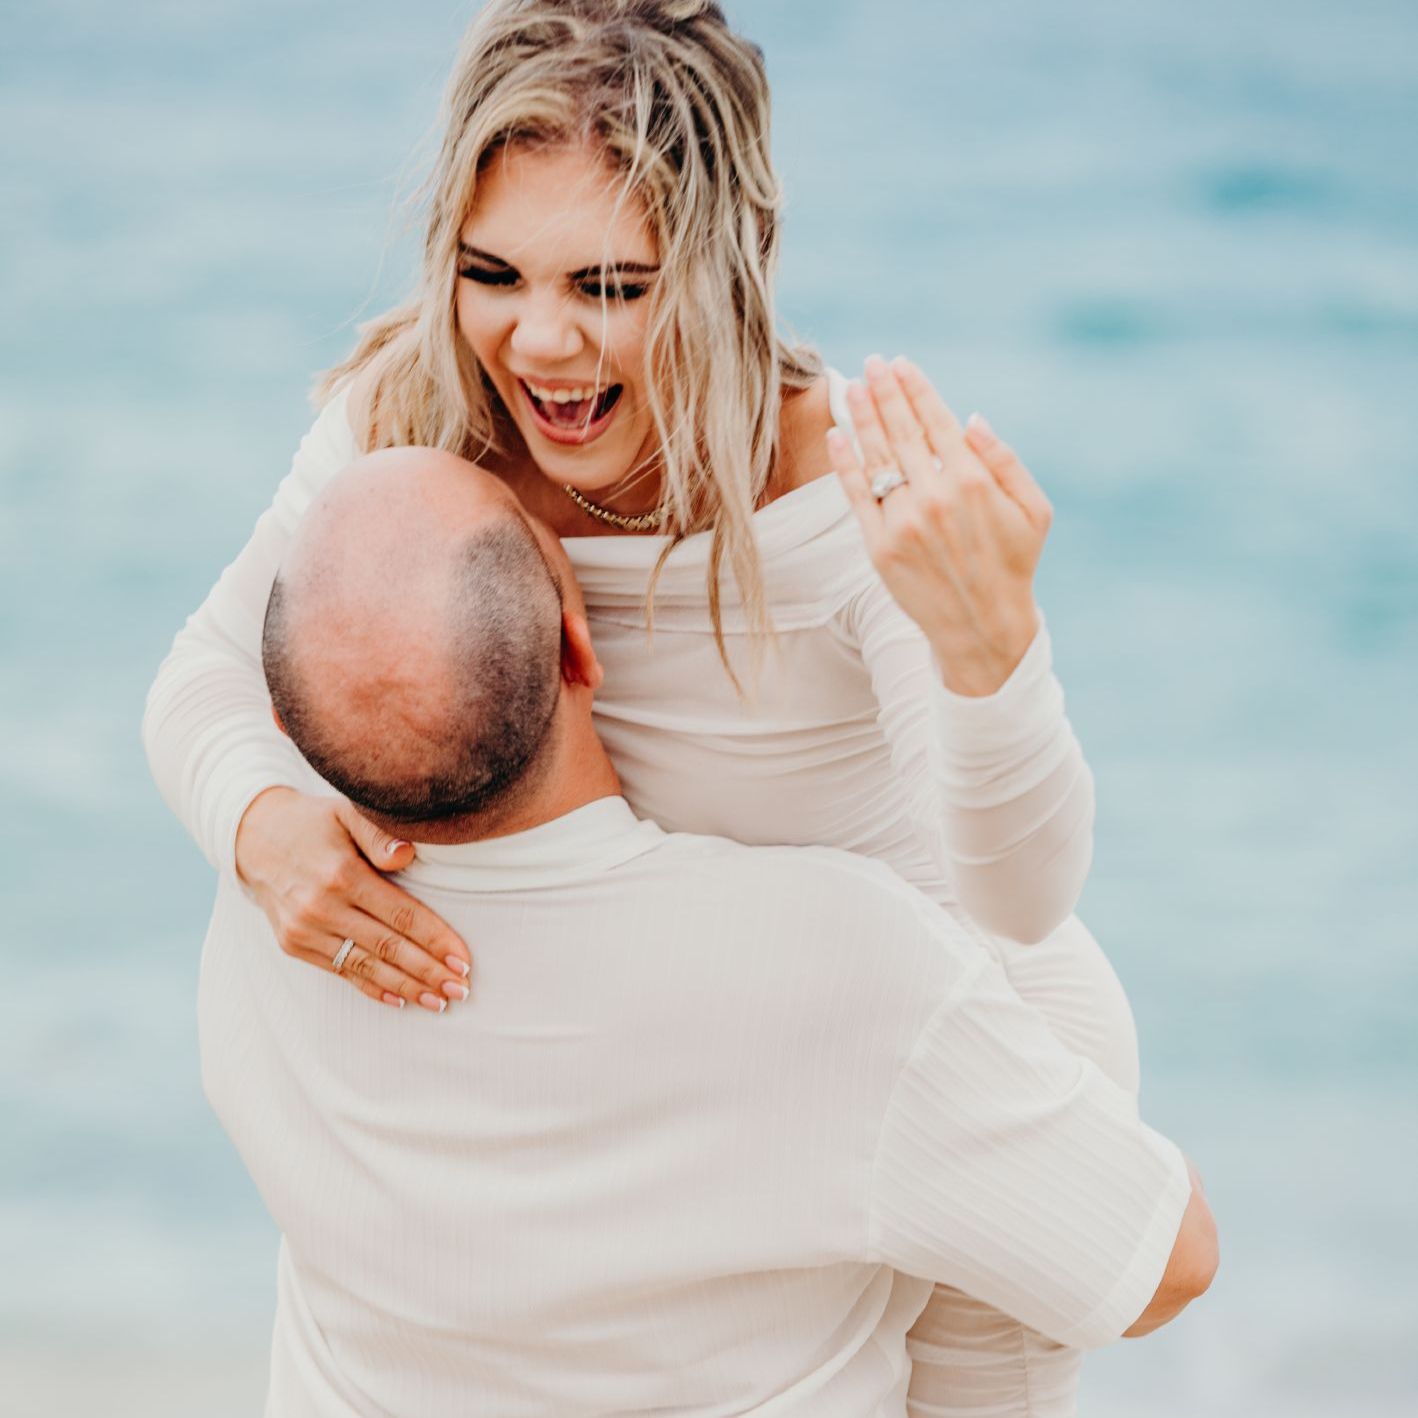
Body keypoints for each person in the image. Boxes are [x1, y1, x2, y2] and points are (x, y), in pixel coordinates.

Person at [145, 1, 1168, 1410]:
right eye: (492, 272)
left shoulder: (835, 487)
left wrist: (994, 659)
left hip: (929, 1067)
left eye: (611, 286)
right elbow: (204, 672)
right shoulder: (419, 421)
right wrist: (260, 827)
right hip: (700, 1086)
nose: (540, 342)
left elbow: (1020, 900)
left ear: (730, 258)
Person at [200, 447, 1216, 1416]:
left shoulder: (272, 908)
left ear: (287, 725)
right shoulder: (835, 963)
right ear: (577, 643)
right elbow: (1165, 1265)